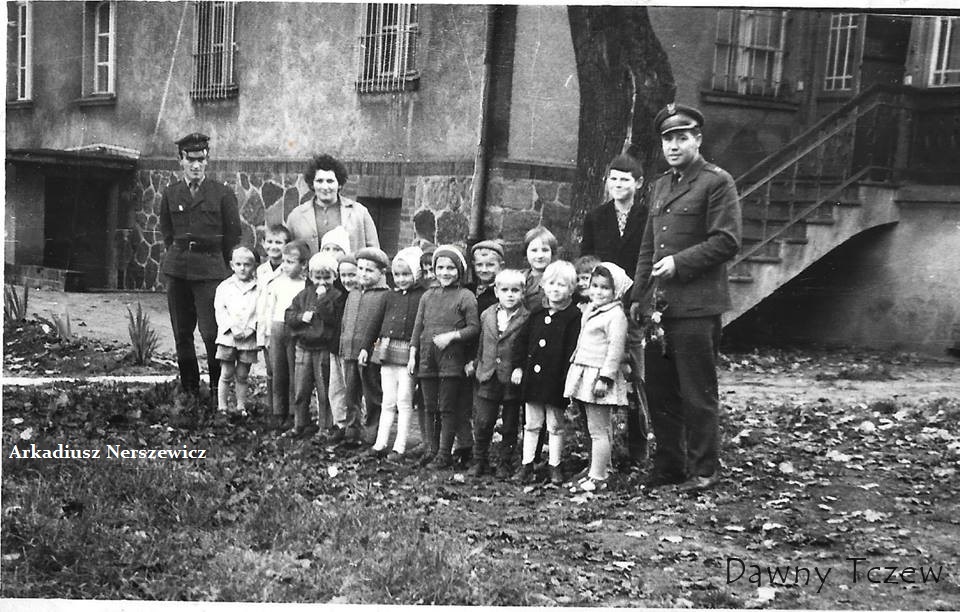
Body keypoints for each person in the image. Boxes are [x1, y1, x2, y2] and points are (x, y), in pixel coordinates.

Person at [629, 103, 742, 492]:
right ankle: (669, 466)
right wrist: (638, 296)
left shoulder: (717, 182)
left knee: (697, 392)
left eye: (681, 138)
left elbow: (727, 240)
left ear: (698, 139)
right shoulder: (661, 185)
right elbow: (649, 246)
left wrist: (680, 263)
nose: (674, 146)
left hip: (697, 307)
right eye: (668, 140)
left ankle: (704, 469)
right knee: (660, 391)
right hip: (660, 309)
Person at [158, 132, 241, 406]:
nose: (196, 165)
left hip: (210, 272)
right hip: (178, 270)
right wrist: (180, 254)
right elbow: (168, 233)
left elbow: (233, 235)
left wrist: (223, 268)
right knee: (182, 333)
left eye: (201, 160)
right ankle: (190, 388)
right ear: (180, 160)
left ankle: (218, 391)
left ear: (207, 160)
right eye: (191, 160)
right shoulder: (171, 193)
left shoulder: (222, 193)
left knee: (211, 333)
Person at [581, 153, 649, 466]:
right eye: (613, 179)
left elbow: (648, 260)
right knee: (595, 371)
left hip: (634, 306)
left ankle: (638, 447)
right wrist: (595, 298)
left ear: (638, 183)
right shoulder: (596, 217)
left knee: (634, 375)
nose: (618, 185)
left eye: (625, 179)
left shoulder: (647, 217)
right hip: (602, 306)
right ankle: (597, 450)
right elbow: (588, 262)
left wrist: (638, 298)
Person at [408, 245, 479, 469]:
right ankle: (431, 449)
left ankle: (444, 453)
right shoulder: (428, 296)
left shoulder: (465, 296)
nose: (445, 272)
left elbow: (474, 328)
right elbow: (418, 327)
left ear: (459, 270)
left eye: (450, 268)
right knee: (429, 406)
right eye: (440, 268)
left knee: (447, 407)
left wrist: (452, 336)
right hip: (427, 357)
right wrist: (413, 354)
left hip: (451, 358)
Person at [564, 263, 633, 493]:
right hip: (585, 372)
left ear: (616, 291)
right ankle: (597, 467)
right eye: (595, 286)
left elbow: (615, 350)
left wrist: (605, 378)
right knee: (590, 426)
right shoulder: (593, 309)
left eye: (605, 288)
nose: (598, 292)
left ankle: (599, 476)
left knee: (599, 429)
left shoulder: (616, 316)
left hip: (599, 377)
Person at [517, 260, 581, 485]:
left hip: (556, 380)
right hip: (533, 380)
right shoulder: (537, 313)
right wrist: (518, 367)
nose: (555, 289)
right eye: (551, 284)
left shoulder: (573, 317)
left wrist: (566, 379)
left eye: (561, 285)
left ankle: (555, 465)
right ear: (543, 285)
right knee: (531, 423)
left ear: (571, 289)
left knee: (555, 425)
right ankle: (527, 464)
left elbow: (572, 350)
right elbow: (522, 342)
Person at [466, 269, 530, 479]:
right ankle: (479, 460)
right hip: (488, 374)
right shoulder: (487, 314)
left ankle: (504, 462)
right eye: (505, 290)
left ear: (523, 293)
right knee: (483, 421)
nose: (510, 294)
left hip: (512, 378)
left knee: (510, 424)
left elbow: (527, 349)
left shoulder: (527, 318)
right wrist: (477, 363)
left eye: (515, 290)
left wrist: (521, 368)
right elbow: (483, 343)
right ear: (496, 292)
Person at [368, 246, 426, 460]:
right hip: (388, 351)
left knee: (404, 399)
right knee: (388, 399)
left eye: (406, 274)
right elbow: (375, 323)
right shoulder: (389, 296)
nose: (401, 279)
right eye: (398, 275)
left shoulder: (422, 296)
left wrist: (416, 355)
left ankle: (399, 446)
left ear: (416, 273)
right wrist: (366, 347)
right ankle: (380, 443)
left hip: (408, 354)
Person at [329, 247, 390, 446]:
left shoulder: (384, 296)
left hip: (369, 355)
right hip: (349, 350)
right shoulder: (354, 294)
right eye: (360, 269)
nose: (363, 274)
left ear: (382, 272)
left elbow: (381, 327)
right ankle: (352, 429)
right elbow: (346, 322)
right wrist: (343, 346)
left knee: (372, 394)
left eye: (369, 270)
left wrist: (373, 349)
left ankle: (372, 432)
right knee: (351, 393)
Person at [284, 252, 345, 438]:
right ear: (310, 276)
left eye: (327, 277)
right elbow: (289, 316)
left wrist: (322, 299)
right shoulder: (303, 295)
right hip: (303, 347)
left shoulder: (337, 296)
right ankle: (300, 423)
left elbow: (332, 319)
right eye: (317, 277)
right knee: (301, 388)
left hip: (323, 348)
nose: (322, 282)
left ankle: (324, 427)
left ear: (335, 276)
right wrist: (300, 317)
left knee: (324, 389)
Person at [286, 154, 379, 255]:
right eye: (319, 181)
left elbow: (374, 252)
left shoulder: (359, 212)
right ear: (312, 184)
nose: (325, 187)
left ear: (339, 184)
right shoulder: (297, 215)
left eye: (330, 181)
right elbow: (287, 253)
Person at [261, 240, 310, 431]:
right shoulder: (276, 283)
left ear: (303, 265)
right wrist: (266, 333)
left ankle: (293, 413)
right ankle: (277, 412)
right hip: (277, 328)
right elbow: (269, 308)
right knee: (277, 371)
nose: (285, 266)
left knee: (293, 372)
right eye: (284, 261)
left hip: (296, 330)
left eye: (290, 262)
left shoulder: (306, 286)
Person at [213, 246, 260, 415]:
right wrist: (231, 327)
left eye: (247, 265)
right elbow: (220, 310)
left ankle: (241, 406)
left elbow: (261, 310)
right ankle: (222, 407)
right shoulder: (225, 287)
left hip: (248, 338)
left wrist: (251, 329)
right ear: (232, 265)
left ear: (254, 266)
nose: (242, 268)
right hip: (228, 337)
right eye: (238, 264)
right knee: (226, 373)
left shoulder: (259, 288)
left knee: (242, 374)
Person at [256, 224, 292, 414]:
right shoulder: (261, 271)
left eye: (279, 242)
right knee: (270, 371)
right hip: (265, 326)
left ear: (287, 245)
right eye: (269, 241)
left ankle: (285, 411)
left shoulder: (288, 271)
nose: (273, 246)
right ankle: (273, 410)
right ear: (263, 243)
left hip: (281, 327)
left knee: (283, 371)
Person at [522, 226, 556, 314]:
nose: (540, 255)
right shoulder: (520, 277)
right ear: (526, 252)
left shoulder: (556, 278)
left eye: (545, 250)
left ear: (552, 252)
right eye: (534, 250)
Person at [467, 240, 504, 315]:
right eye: (479, 265)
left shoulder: (502, 292)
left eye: (490, 265)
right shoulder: (469, 290)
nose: (484, 270)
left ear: (501, 266)